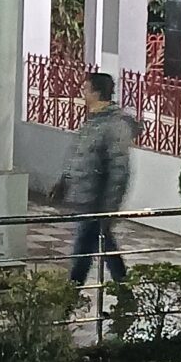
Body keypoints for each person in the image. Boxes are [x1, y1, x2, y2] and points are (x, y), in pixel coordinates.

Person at [54, 68, 135, 288]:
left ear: (97, 93)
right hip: (86, 199)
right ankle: (124, 288)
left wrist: (108, 208)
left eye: (86, 89)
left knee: (83, 250)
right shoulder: (93, 121)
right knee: (104, 245)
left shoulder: (113, 126)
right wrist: (65, 181)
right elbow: (80, 155)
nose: (83, 93)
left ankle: (71, 292)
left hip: (96, 202)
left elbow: (119, 170)